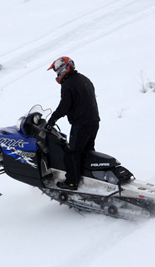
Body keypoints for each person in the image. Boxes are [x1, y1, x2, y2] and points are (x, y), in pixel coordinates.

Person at [46, 56, 100, 190]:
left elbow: (64, 106)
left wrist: (52, 120)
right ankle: (89, 178)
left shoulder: (68, 84)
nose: (57, 74)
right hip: (93, 121)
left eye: (57, 71)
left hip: (82, 124)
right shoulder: (83, 79)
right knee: (87, 152)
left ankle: (71, 182)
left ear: (64, 69)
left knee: (72, 154)